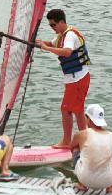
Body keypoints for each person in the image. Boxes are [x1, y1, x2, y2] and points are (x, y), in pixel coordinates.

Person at [35, 8, 91, 148]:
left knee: (65, 109)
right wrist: (42, 43)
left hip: (78, 79)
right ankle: (85, 140)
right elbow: (53, 44)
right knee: (77, 110)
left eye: (53, 25)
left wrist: (46, 49)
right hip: (75, 79)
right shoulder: (62, 35)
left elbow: (66, 52)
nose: (52, 28)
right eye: (50, 25)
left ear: (61, 22)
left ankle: (67, 142)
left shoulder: (70, 35)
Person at [71, 104, 112, 193]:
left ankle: (82, 184)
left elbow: (72, 148)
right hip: (107, 181)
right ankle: (111, 186)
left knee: (76, 148)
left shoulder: (80, 134)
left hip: (85, 178)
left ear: (88, 118)